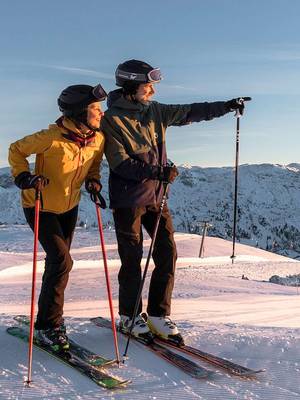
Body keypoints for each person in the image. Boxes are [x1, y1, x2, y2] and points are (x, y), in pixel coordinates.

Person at [101, 59, 249, 342]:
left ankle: (158, 314)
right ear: (132, 87)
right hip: (128, 200)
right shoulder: (111, 121)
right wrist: (158, 171)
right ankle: (129, 317)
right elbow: (120, 164)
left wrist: (227, 105)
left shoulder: (155, 111)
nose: (153, 93)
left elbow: (192, 111)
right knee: (132, 260)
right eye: (148, 87)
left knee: (167, 255)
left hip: (157, 197)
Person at [8, 84, 107, 351]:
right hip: (39, 206)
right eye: (95, 108)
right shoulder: (51, 137)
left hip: (69, 207)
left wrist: (93, 181)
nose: (101, 113)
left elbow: (95, 162)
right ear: (78, 112)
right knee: (61, 261)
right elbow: (16, 149)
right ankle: (47, 326)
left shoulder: (97, 138)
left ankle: (49, 320)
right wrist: (23, 176)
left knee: (59, 265)